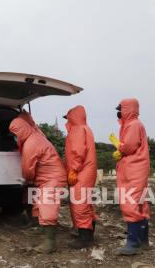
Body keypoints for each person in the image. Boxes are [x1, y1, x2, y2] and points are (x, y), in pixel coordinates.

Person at [9, 115, 67, 254]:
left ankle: (50, 242)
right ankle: (42, 230)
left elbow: (28, 169)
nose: (14, 137)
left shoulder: (31, 143)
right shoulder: (35, 137)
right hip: (46, 177)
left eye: (15, 134)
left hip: (51, 178)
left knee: (48, 206)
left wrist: (26, 179)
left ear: (21, 130)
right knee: (40, 204)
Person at [109, 98, 151, 255]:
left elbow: (128, 147)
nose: (119, 113)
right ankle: (143, 241)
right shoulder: (134, 124)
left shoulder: (133, 125)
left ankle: (133, 244)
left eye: (120, 109)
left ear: (127, 109)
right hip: (136, 168)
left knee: (130, 202)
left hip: (133, 169)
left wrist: (118, 145)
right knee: (140, 202)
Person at [63, 105, 98, 249]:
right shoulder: (86, 129)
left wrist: (74, 170)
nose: (67, 121)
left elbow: (78, 152)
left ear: (72, 117)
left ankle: (84, 238)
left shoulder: (77, 130)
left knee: (79, 203)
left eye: (68, 117)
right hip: (87, 170)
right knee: (85, 202)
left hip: (81, 171)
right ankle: (88, 233)